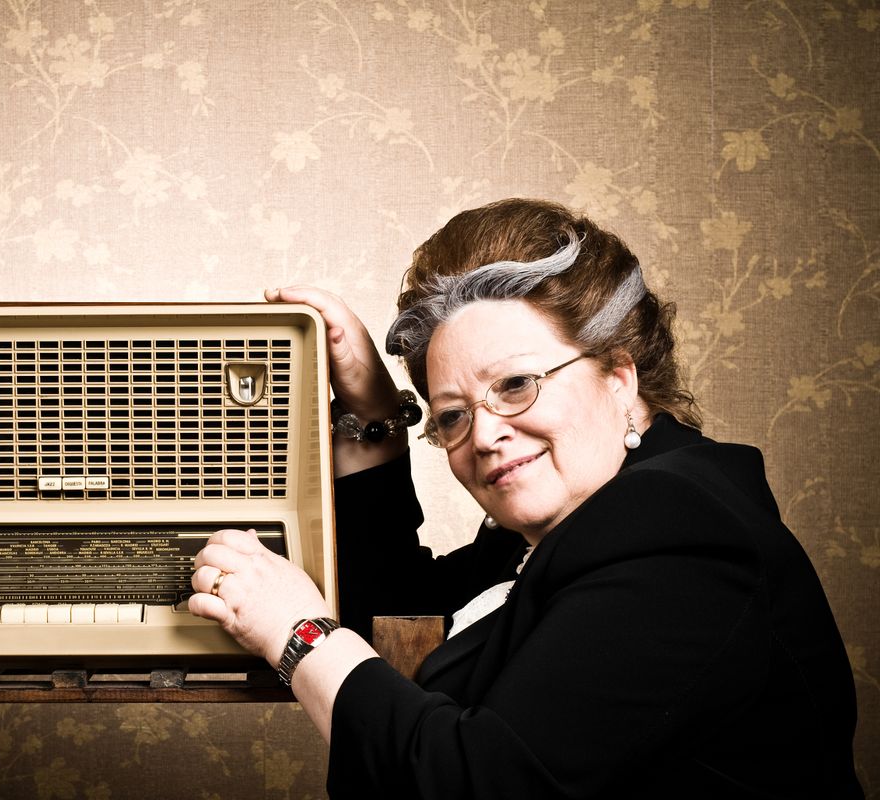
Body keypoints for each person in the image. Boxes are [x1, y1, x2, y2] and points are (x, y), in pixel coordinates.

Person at [187, 198, 862, 798]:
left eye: (515, 385)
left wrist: (298, 634)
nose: (484, 436)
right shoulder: (561, 531)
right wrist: (372, 416)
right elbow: (393, 620)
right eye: (453, 415)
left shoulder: (678, 527)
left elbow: (475, 782)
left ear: (618, 377)